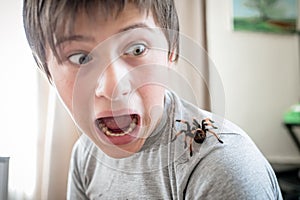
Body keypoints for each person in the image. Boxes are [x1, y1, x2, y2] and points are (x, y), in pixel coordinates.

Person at [23, 0, 283, 199]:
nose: (114, 89)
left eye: (137, 49)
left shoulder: (221, 166)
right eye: (81, 58)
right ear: (46, 71)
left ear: (171, 52)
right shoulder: (84, 156)